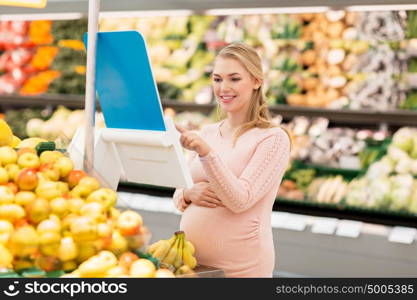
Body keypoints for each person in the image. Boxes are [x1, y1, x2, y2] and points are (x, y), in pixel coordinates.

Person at [173, 42, 290, 278]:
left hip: (242, 270)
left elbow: (240, 200)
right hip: (192, 265)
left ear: (257, 81)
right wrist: (188, 194)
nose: (223, 88)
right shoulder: (207, 132)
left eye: (234, 79)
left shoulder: (272, 138)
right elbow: (179, 191)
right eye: (217, 79)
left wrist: (207, 154)